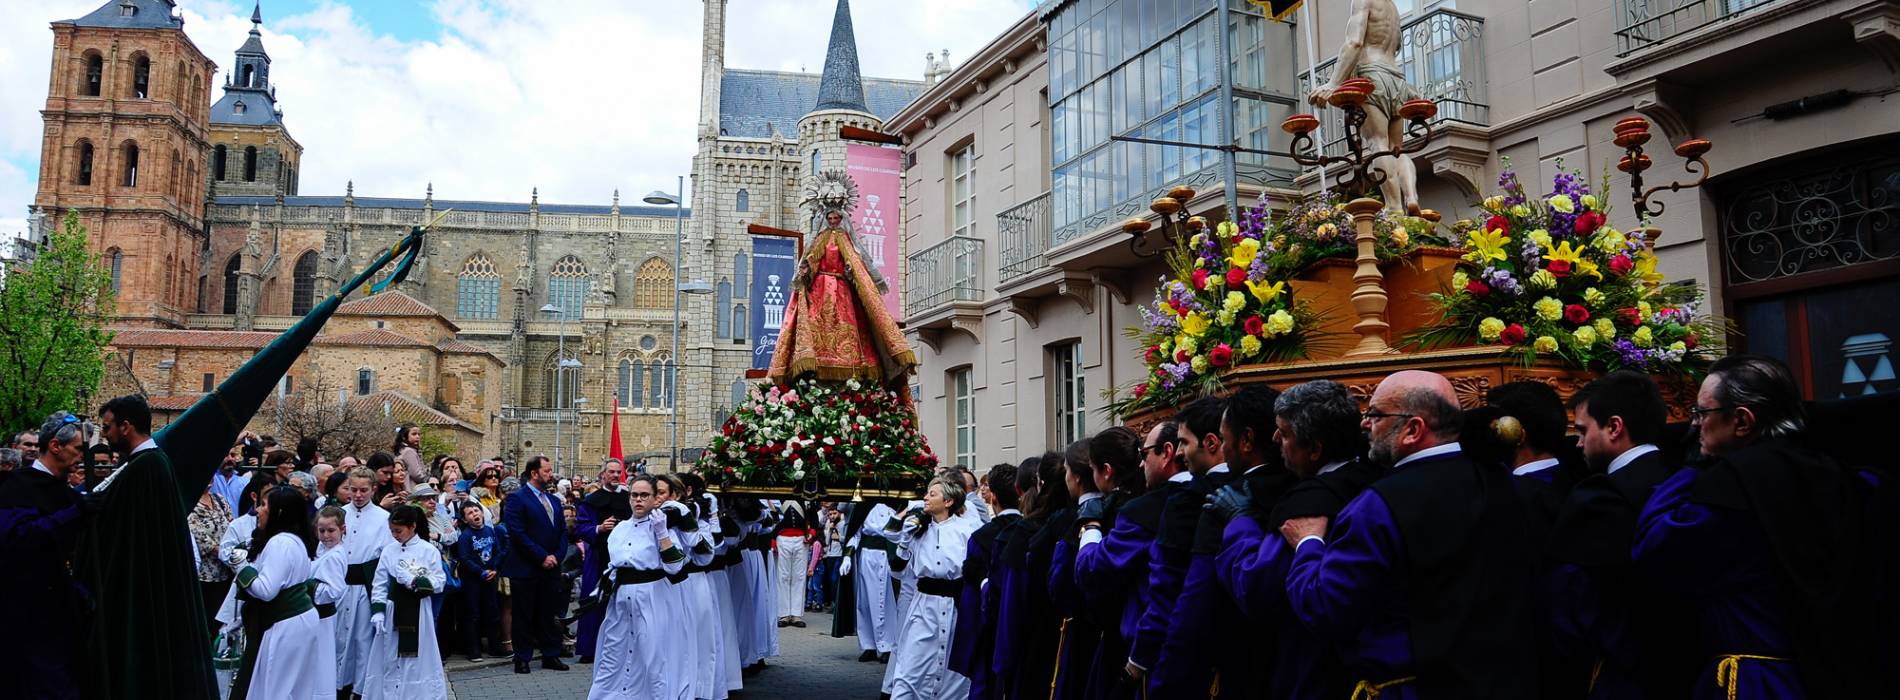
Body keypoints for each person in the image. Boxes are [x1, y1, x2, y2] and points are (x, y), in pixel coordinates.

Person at [1633, 354, 1885, 697]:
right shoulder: (1842, 476)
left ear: (1741, 421)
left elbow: (1655, 547)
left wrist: (1690, 471)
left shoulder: (1734, 489)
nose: (1693, 426)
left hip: (1758, 680)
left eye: (1701, 413)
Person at [1280, 370, 1537, 696]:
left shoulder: (1376, 506)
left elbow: (1326, 607)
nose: (1365, 424)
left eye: (1374, 414)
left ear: (1413, 429)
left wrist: (1308, 544)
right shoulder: (1505, 483)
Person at [1210, 379, 1379, 700]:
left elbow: (1257, 587)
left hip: (1312, 670)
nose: (1275, 440)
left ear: (1314, 449)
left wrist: (1239, 523)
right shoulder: (1375, 478)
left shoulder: (1306, 505)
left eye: (1284, 433)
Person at [1545, 370, 1693, 699]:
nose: (1578, 443)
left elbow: (1571, 602)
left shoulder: (1598, 499)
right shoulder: (1683, 479)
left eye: (1582, 431)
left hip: (1619, 672)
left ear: (1614, 427)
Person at [76, 395, 220, 698]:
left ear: (126, 427)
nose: (105, 435)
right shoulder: (146, 464)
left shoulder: (146, 468)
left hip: (140, 590)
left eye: (108, 427)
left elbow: (124, 535)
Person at [0, 412, 95, 699]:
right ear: (55, 446)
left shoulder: (67, 492)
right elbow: (19, 540)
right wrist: (74, 514)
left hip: (58, 612)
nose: (82, 457)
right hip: (24, 615)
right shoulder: (17, 487)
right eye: (78, 449)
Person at [767, 207, 917, 386]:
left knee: (847, 328)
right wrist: (806, 271)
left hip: (842, 291)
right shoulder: (820, 239)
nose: (833, 221)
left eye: (836, 218)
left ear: (841, 218)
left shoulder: (846, 241)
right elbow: (812, 261)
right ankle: (816, 365)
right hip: (820, 292)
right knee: (818, 327)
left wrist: (850, 273)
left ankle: (850, 365)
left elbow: (856, 266)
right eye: (830, 218)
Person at [586, 474, 692, 700]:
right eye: (634, 495)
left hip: (652, 598)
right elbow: (613, 566)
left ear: (655, 499)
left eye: (645, 495)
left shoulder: (663, 528)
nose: (639, 500)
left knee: (653, 655)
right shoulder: (620, 529)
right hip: (622, 601)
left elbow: (675, 567)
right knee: (614, 652)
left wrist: (662, 533)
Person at [230, 486, 333, 700]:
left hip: (286, 623)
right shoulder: (295, 540)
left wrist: (241, 566)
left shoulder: (281, 543)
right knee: (294, 688)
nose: (258, 510)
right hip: (298, 620)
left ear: (278, 512)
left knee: (276, 686)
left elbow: (266, 590)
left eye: (265, 505)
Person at [886, 477, 984, 699]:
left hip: (956, 605)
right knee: (911, 664)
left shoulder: (967, 529)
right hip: (924, 606)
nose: (925, 498)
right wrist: (904, 540)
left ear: (948, 501)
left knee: (953, 669)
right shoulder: (919, 529)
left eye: (932, 494)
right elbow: (897, 570)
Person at [948, 463, 1022, 698]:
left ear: (993, 498)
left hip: (988, 625)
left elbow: (970, 595)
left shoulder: (981, 537)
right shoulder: (1034, 531)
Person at [360, 504, 447, 699]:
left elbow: (440, 581)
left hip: (418, 612)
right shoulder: (389, 551)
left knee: (418, 661)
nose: (395, 535)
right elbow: (379, 583)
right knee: (389, 656)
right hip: (393, 611)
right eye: (391, 531)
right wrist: (378, 612)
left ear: (413, 526)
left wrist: (415, 581)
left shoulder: (428, 550)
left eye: (398, 531)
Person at [1043, 440, 1103, 700]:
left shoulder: (1071, 520)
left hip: (1078, 627)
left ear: (1077, 477)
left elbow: (1059, 584)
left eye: (1067, 470)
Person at [501, 455, 571, 675]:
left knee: (547, 613)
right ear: (534, 473)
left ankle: (551, 654)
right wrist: (541, 556)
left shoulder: (553, 500)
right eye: (547, 471)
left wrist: (557, 556)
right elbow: (518, 534)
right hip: (527, 568)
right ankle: (522, 657)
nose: (551, 475)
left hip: (551, 568)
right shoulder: (517, 499)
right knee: (523, 615)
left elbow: (562, 531)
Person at [337, 467, 395, 697]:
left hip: (365, 586)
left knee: (363, 638)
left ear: (373, 489)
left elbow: (386, 554)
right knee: (339, 637)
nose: (358, 495)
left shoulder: (383, 518)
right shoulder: (339, 513)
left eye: (364, 490)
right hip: (340, 586)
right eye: (354, 490)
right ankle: (337, 685)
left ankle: (361, 689)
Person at [573, 458, 631, 664]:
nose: (615, 476)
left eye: (618, 472)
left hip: (626, 558)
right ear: (603, 474)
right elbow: (580, 528)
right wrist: (599, 528)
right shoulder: (591, 500)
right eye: (611, 472)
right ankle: (590, 648)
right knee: (595, 602)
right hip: (598, 557)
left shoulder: (630, 498)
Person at [842, 501, 900, 662]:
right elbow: (855, 533)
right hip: (867, 557)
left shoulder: (897, 504)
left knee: (884, 602)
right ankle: (869, 645)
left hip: (886, 556)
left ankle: (887, 645)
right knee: (865, 602)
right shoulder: (863, 506)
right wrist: (847, 556)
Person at [452, 500, 506, 662]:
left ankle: (494, 647)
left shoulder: (490, 530)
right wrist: (481, 572)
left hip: (490, 578)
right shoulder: (465, 536)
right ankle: (473, 649)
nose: (475, 514)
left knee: (492, 612)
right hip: (473, 580)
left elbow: (498, 551)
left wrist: (494, 568)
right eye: (470, 513)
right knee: (472, 614)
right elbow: (465, 558)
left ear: (482, 513)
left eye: (477, 510)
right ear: (464, 519)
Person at [190, 481, 236, 634]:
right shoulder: (189, 503)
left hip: (226, 572)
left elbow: (233, 525)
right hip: (204, 576)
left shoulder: (219, 500)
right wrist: (226, 554)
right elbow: (201, 539)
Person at [312, 506, 351, 660]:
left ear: (342, 529)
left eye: (331, 530)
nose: (326, 535)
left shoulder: (335, 556)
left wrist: (310, 587)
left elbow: (334, 591)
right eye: (321, 531)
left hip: (324, 615)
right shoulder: (322, 549)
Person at [774, 501, 812, 628]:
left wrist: (811, 533)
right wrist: (773, 539)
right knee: (783, 576)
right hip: (782, 538)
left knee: (799, 576)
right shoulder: (780, 498)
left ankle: (796, 614)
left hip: (801, 539)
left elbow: (813, 517)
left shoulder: (804, 495)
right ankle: (783, 614)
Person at [212, 445, 253, 519]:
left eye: (233, 455)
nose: (230, 459)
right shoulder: (211, 479)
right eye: (226, 455)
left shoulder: (245, 482)